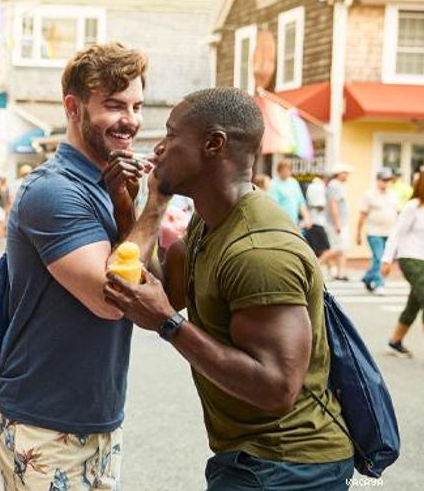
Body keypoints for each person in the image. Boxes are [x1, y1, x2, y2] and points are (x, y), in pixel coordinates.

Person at [103, 87, 353, 490]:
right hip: (252, 457)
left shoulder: (259, 250)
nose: (160, 147)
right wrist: (137, 207)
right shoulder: (210, 221)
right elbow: (164, 291)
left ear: (213, 143)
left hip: (287, 466)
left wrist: (169, 325)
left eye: (171, 135)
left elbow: (277, 389)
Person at [0, 42, 169, 489]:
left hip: (99, 414)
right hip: (44, 419)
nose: (130, 119)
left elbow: (156, 286)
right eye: (113, 105)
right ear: (73, 107)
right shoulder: (54, 191)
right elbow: (114, 299)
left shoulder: (109, 182)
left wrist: (128, 208)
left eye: (136, 105)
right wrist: (157, 203)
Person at [382, 174, 424, 358]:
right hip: (410, 258)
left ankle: (395, 342)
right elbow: (396, 233)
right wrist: (387, 259)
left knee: (414, 303)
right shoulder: (413, 206)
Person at [356, 169, 399, 294]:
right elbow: (362, 216)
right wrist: (358, 234)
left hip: (389, 233)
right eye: (384, 180)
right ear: (378, 180)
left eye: (388, 180)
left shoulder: (392, 195)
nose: (386, 183)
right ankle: (380, 284)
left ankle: (368, 277)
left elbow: (396, 213)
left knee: (382, 259)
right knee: (379, 257)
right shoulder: (369, 195)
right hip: (374, 232)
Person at [323, 163, 353, 280]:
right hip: (337, 223)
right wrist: (337, 223)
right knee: (336, 248)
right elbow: (333, 205)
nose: (347, 176)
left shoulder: (338, 185)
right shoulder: (334, 186)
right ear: (339, 174)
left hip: (341, 222)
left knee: (343, 249)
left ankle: (341, 273)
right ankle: (317, 265)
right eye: (345, 173)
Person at [268, 159, 311, 230]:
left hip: (294, 223)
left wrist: (307, 218)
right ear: (279, 171)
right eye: (284, 170)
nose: (287, 172)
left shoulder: (294, 182)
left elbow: (300, 202)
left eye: (289, 169)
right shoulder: (273, 184)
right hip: (280, 225)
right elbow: (272, 206)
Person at [304, 174, 331, 259]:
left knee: (314, 251)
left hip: (311, 222)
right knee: (326, 249)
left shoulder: (311, 187)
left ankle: (329, 270)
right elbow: (320, 205)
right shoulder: (319, 187)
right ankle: (317, 267)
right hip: (317, 222)